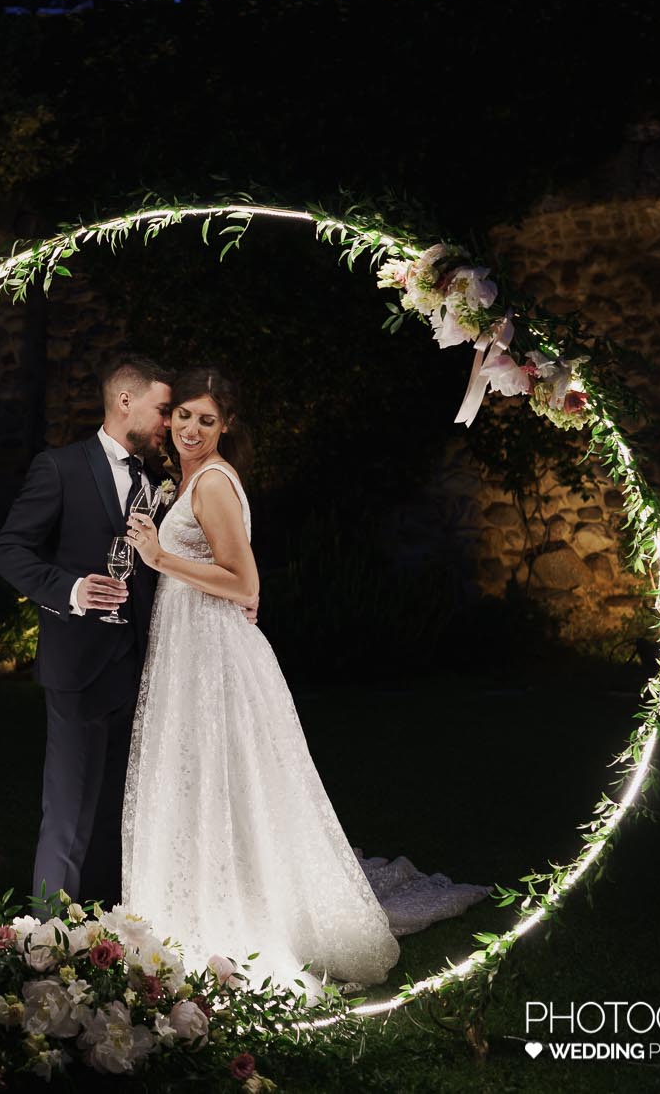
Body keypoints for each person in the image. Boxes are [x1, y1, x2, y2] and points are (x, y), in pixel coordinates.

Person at [121, 367, 489, 997]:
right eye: (184, 415)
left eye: (207, 420)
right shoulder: (185, 478)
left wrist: (161, 558)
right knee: (202, 777)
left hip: (212, 652)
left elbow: (246, 584)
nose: (192, 428)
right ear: (170, 416)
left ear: (226, 426)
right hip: (190, 645)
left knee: (222, 776)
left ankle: (235, 915)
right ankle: (197, 901)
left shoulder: (211, 481)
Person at [0, 355, 259, 914]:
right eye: (166, 411)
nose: (171, 425)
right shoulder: (60, 468)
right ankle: (48, 936)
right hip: (81, 663)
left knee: (131, 806)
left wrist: (235, 601)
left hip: (151, 664)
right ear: (125, 402)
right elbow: (9, 550)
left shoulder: (163, 479)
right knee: (67, 810)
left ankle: (117, 928)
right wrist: (69, 590)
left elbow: (193, 558)